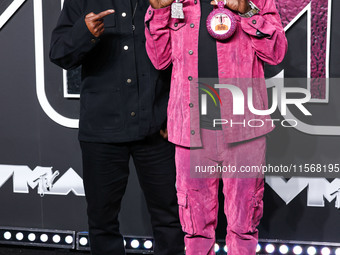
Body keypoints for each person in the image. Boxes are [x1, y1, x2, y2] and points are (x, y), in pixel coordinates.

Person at [145, 0, 287, 254]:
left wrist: (247, 11)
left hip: (244, 129)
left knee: (243, 226)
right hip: (192, 128)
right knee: (196, 230)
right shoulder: (172, 2)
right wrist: (158, 12)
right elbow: (159, 60)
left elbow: (275, 53)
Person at [49, 0, 184, 255]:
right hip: (102, 129)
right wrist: (84, 33)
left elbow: (187, 52)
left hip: (157, 126)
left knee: (171, 219)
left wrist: (175, 112)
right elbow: (58, 53)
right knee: (102, 222)